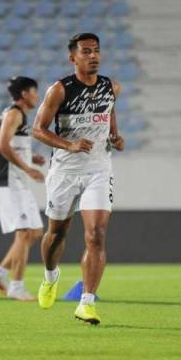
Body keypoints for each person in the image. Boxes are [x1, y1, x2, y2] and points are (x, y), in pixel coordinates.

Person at [32, 33, 125, 325]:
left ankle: (86, 304)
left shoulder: (111, 87)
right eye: (86, 51)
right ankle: (50, 276)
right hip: (64, 171)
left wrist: (115, 136)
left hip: (99, 169)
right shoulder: (59, 90)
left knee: (96, 235)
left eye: (97, 50)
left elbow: (108, 115)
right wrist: (69, 144)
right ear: (74, 57)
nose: (93, 56)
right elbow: (38, 129)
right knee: (56, 234)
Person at [0, 76, 45, 301]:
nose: (36, 96)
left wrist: (32, 158)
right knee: (24, 233)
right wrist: (28, 169)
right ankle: (16, 286)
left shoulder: (18, 115)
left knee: (34, 232)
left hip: (17, 180)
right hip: (10, 181)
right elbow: (2, 145)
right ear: (23, 94)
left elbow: (14, 145)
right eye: (34, 92)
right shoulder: (14, 114)